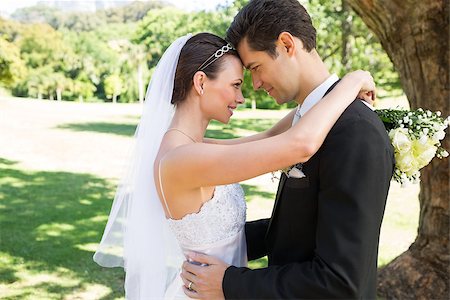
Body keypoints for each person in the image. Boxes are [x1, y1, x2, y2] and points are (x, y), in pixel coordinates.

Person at [93, 30, 376, 299]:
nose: (241, 97)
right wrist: (352, 81)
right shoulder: (183, 160)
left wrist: (323, 97)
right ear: (201, 82)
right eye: (235, 85)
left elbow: (269, 136)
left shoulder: (193, 149)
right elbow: (298, 145)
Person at [181, 0, 395, 299]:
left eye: (256, 67)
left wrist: (231, 284)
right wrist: (214, 240)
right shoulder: (309, 118)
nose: (254, 84)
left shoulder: (353, 131)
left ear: (286, 44)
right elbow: (303, 225)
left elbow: (341, 282)